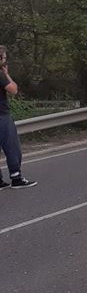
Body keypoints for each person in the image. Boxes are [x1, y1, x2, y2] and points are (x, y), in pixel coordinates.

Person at [0, 45, 37, 189]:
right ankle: (16, 177)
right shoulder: (0, 75)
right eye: (4, 58)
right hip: (2, 116)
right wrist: (6, 74)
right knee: (11, 147)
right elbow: (13, 90)